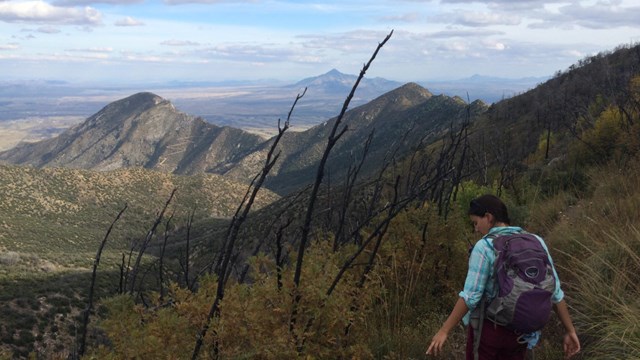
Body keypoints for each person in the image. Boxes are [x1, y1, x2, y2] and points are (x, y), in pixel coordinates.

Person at [426, 194, 580, 359]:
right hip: (520, 332)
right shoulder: (536, 241)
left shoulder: (485, 246)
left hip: (489, 333)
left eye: (476, 223)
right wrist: (570, 331)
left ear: (488, 217)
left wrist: (444, 331)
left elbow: (471, 297)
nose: (476, 229)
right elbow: (556, 293)